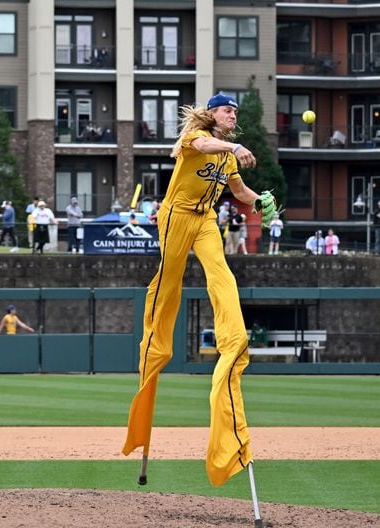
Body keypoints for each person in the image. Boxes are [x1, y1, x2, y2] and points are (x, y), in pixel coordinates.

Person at [123, 92, 274, 489]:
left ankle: (233, 337)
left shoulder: (226, 158)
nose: (233, 115)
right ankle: (155, 342)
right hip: (175, 215)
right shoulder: (197, 136)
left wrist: (263, 204)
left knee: (222, 274)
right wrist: (236, 143)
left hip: (205, 219)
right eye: (228, 110)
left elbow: (240, 193)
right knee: (169, 283)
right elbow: (206, 144)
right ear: (212, 113)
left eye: (235, 111)